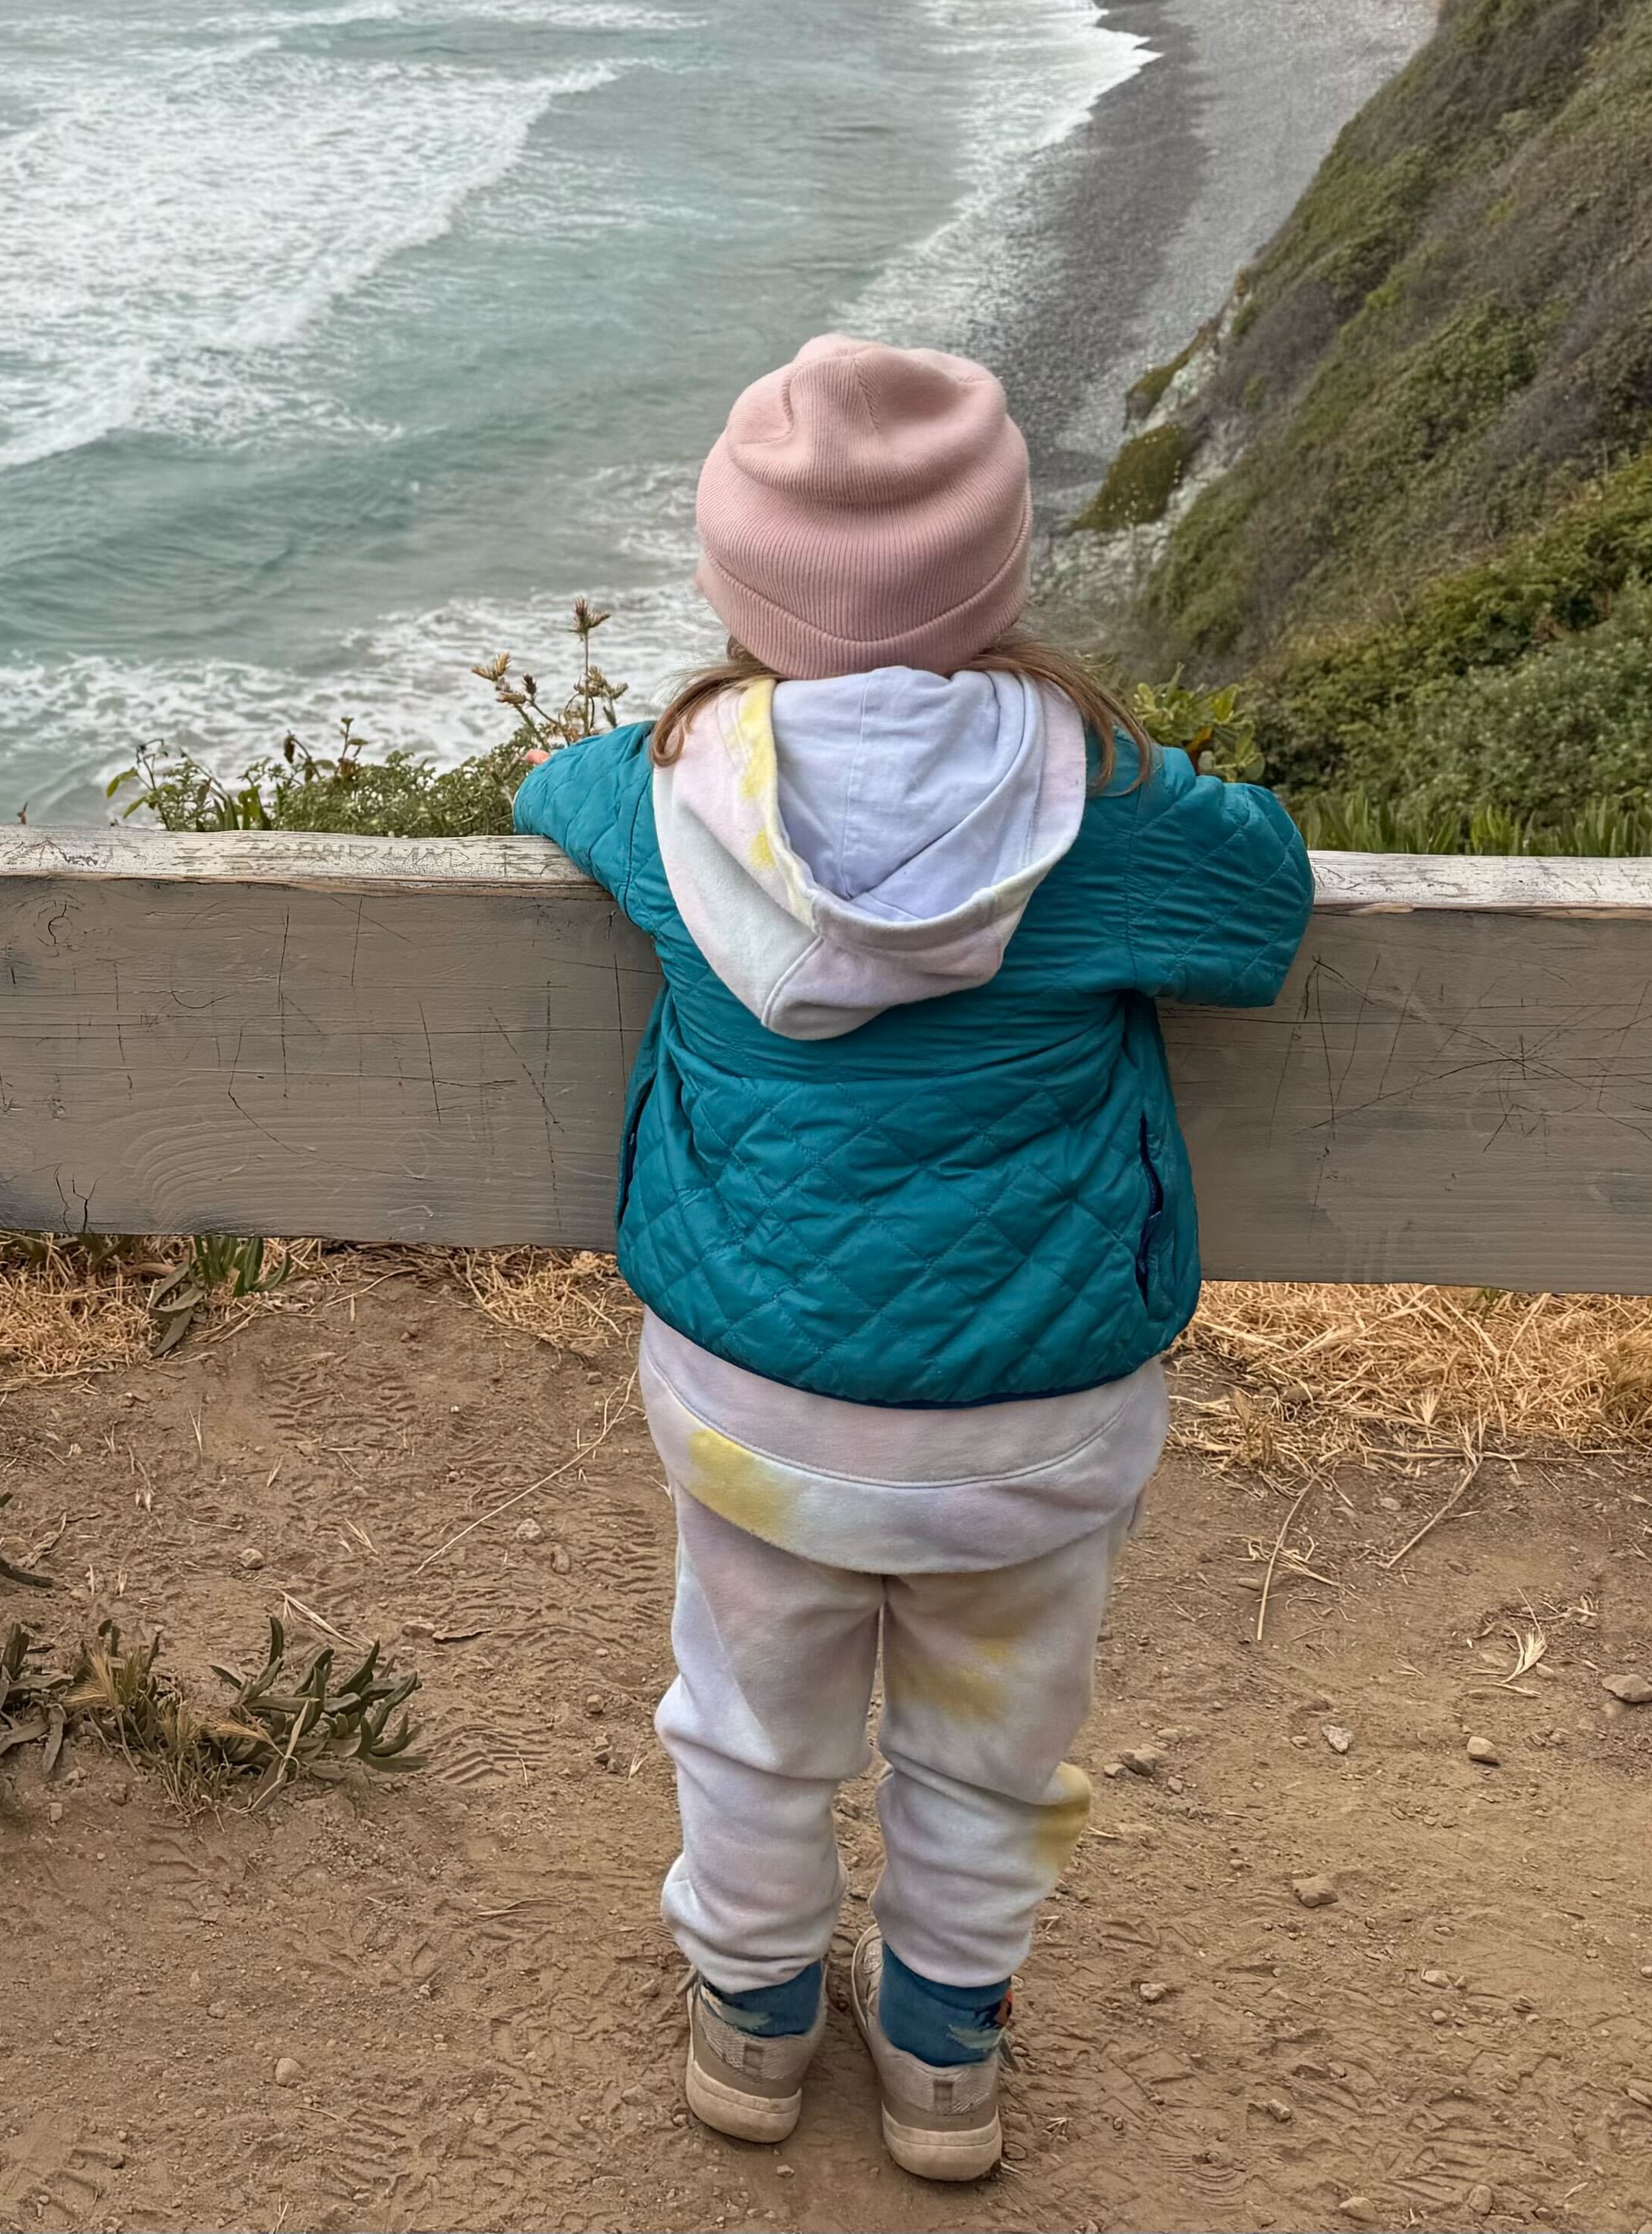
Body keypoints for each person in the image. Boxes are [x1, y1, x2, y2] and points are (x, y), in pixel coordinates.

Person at [512, 334, 1310, 2183]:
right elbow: (1262, 902)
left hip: (756, 1408)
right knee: (993, 1731)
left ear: (738, 587)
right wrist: (1126, 756)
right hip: (1033, 1422)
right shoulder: (1102, 809)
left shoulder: (670, 796)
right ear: (1001, 579)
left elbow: (548, 793)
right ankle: (947, 2048)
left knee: (751, 1707)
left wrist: (650, 753)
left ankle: (755, 2012)